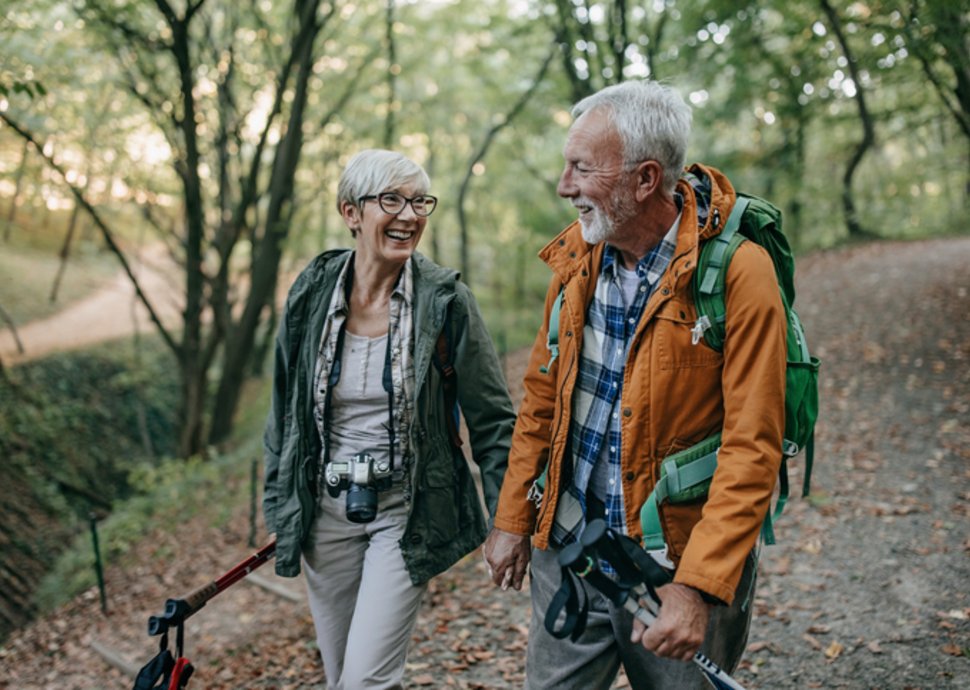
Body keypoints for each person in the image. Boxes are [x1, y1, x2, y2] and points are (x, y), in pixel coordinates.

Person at [483, 80, 786, 688]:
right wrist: (514, 516)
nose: (565, 186)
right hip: (569, 548)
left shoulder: (738, 274)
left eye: (582, 168)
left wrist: (698, 587)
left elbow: (752, 447)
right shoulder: (576, 257)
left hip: (673, 567)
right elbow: (542, 400)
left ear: (646, 180)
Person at [263, 149, 516, 689]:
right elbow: (283, 410)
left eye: (419, 202)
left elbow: (494, 420)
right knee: (341, 678)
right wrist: (278, 500)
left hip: (405, 509)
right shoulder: (311, 293)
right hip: (323, 512)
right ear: (351, 212)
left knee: (365, 682)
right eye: (392, 200)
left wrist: (508, 520)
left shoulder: (446, 302)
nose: (409, 216)